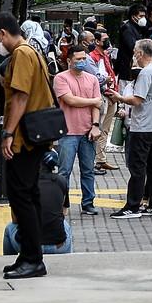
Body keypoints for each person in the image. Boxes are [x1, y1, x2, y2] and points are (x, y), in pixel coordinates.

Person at [0, 11, 57, 279]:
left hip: (24, 137)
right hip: (36, 135)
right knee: (28, 194)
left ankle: (32, 258)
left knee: (21, 196)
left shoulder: (21, 54)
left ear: (2, 33)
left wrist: (7, 133)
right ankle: (29, 254)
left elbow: (20, 97)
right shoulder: (33, 51)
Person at [106, 39, 152, 218]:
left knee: (137, 167)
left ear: (140, 53)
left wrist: (119, 97)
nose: (134, 54)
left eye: (135, 51)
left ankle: (133, 206)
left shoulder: (147, 72)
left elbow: (136, 100)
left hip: (142, 126)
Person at [53, 43, 103, 216]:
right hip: (67, 132)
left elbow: (97, 106)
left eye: (84, 58)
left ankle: (88, 203)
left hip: (88, 131)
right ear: (69, 60)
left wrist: (96, 126)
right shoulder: (61, 78)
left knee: (88, 170)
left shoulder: (93, 79)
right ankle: (61, 204)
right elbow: (70, 100)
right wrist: (94, 101)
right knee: (64, 171)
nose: (82, 62)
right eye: (78, 59)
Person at [3, 161, 74, 256]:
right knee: (66, 226)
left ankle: (11, 262)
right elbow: (64, 212)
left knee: (9, 228)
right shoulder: (61, 181)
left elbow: (15, 220)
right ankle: (68, 261)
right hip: (57, 246)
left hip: (27, 247)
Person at [89, 31, 119, 171]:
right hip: (103, 94)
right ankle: (97, 160)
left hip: (110, 94)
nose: (107, 41)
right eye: (105, 39)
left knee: (105, 129)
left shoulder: (105, 55)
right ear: (97, 41)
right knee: (100, 128)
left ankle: (101, 159)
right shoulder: (93, 57)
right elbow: (97, 78)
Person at [115, 2, 149, 80]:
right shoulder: (127, 28)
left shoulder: (139, 28)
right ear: (133, 17)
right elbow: (133, 46)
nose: (143, 18)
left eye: (144, 16)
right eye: (140, 16)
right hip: (127, 68)